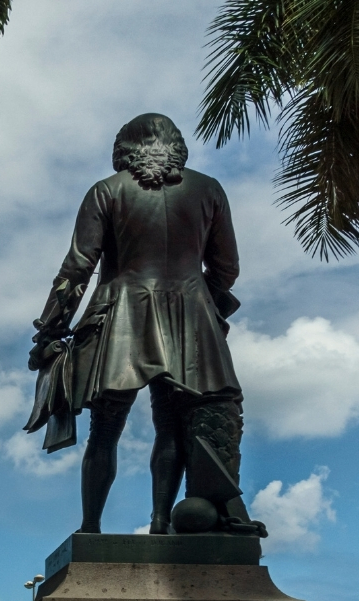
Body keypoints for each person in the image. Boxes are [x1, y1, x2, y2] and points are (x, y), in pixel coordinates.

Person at [28, 113, 248, 534]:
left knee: (105, 430)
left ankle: (90, 527)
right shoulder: (209, 190)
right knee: (171, 425)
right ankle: (161, 521)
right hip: (189, 318)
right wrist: (204, 301)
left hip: (121, 315)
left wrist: (51, 330)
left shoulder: (106, 191)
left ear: (125, 148)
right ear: (174, 145)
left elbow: (77, 267)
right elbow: (227, 267)